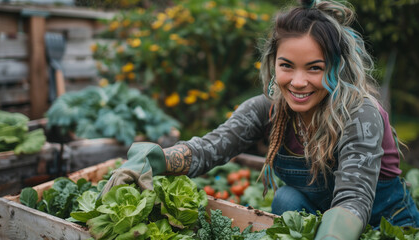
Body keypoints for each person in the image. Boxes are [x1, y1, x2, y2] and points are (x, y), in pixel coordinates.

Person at [101, 0, 419, 239]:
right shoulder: (264, 110)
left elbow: (354, 200)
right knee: (286, 198)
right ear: (272, 65)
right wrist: (155, 159)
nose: (297, 81)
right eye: (287, 66)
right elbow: (208, 149)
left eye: (314, 68)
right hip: (322, 221)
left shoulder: (360, 113)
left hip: (385, 224)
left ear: (337, 70)